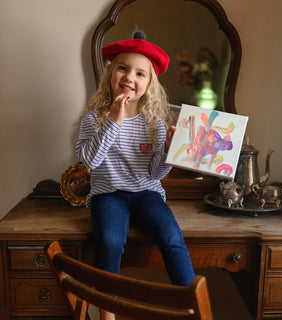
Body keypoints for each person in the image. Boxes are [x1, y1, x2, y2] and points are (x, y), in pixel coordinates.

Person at [76, 32, 195, 320]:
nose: (130, 77)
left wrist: (168, 150)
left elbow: (154, 173)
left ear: (149, 84)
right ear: (110, 73)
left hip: (146, 193)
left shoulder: (153, 122)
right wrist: (114, 120)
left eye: (140, 73)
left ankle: (190, 305)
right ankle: (107, 312)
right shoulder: (94, 117)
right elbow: (89, 160)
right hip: (108, 194)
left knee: (171, 235)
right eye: (123, 68)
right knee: (109, 239)